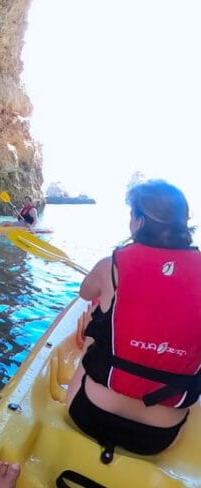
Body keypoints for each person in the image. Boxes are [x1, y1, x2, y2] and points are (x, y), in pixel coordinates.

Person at [67, 180, 201, 456]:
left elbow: (85, 292)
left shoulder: (111, 265)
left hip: (89, 413)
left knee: (97, 322)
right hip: (156, 439)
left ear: (139, 221)